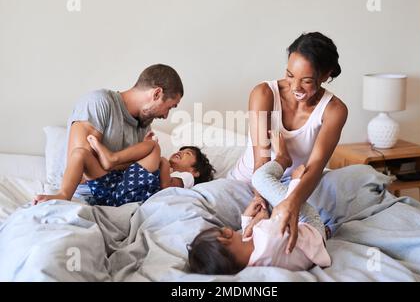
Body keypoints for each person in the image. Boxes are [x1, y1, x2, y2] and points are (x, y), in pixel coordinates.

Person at [228, 32, 348, 248]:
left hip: (296, 185)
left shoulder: (334, 110)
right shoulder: (264, 93)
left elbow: (315, 168)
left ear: (325, 75)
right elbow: (261, 162)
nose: (295, 87)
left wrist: (292, 203)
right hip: (252, 180)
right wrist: (260, 202)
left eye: (307, 81)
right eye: (290, 75)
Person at [34, 64, 184, 204]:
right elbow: (82, 168)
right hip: (82, 195)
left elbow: (138, 171)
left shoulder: (144, 125)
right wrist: (130, 161)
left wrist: (114, 160)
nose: (165, 116)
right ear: (157, 93)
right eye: (169, 107)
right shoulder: (99, 102)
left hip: (121, 194)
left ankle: (112, 159)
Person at [188, 132, 331, 274]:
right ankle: (283, 158)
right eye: (221, 231)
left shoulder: (252, 264)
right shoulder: (267, 234)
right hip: (311, 226)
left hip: (311, 248)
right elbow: (286, 211)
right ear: (225, 237)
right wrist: (296, 182)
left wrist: (247, 220)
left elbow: (249, 242)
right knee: (260, 178)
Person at [33, 134, 215, 207]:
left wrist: (161, 162)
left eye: (187, 153)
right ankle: (64, 194)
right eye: (180, 150)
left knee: (153, 146)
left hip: (130, 195)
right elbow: (136, 172)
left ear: (195, 171)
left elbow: (166, 187)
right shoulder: (160, 165)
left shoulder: (187, 177)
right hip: (113, 190)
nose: (179, 152)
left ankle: (110, 158)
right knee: (80, 153)